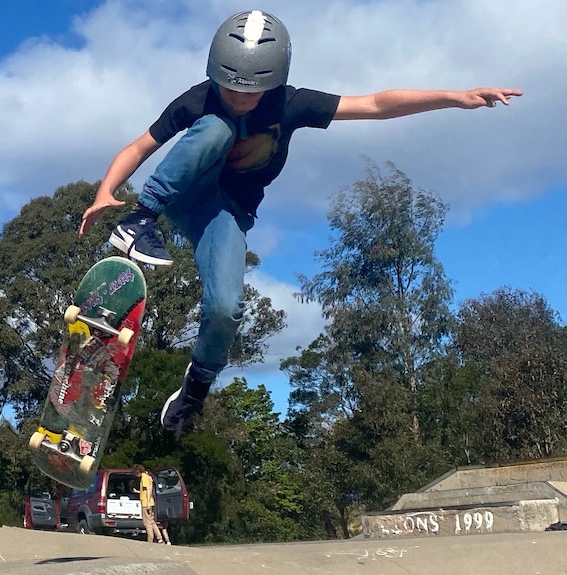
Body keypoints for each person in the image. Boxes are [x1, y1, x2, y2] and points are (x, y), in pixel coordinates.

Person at [79, 9, 521, 434]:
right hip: (184, 193)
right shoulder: (199, 98)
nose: (238, 99)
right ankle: (140, 221)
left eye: (249, 93)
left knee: (225, 308)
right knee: (216, 129)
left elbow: (374, 104)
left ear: (274, 82)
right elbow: (139, 148)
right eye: (230, 89)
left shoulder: (292, 105)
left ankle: (195, 389)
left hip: (225, 215)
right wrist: (106, 193)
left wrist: (455, 98)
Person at [133, 464, 164, 543]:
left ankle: (150, 539)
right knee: (152, 521)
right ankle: (159, 538)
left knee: (147, 523)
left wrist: (147, 504)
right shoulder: (147, 477)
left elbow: (148, 490)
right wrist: (138, 491)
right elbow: (145, 490)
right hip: (150, 502)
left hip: (146, 503)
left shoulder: (144, 478)